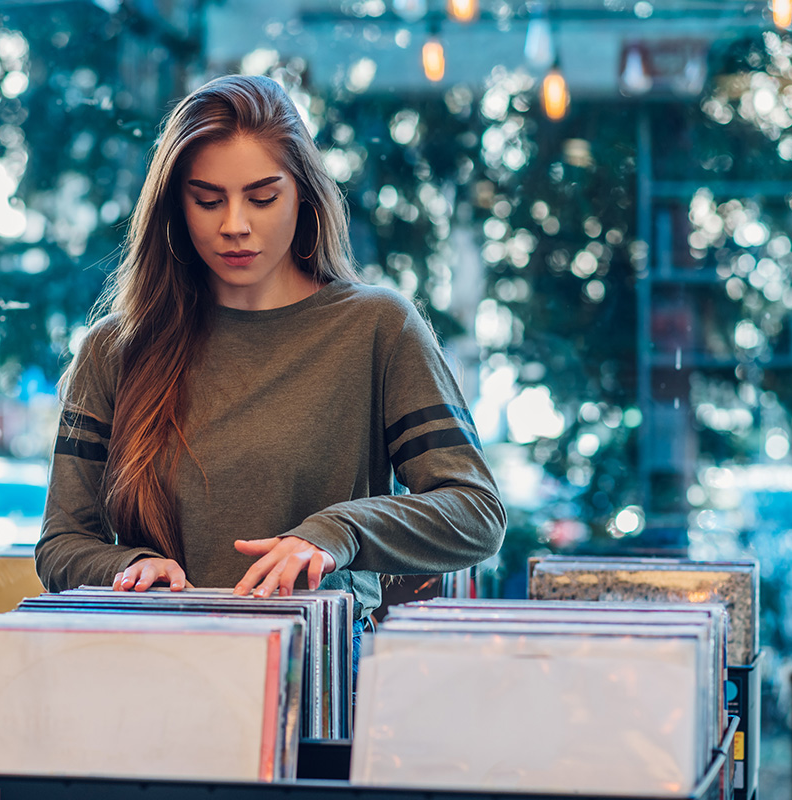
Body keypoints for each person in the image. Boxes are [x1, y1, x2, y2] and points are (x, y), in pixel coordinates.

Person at [34, 74, 505, 641]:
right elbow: (61, 546)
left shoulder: (377, 327)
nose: (234, 225)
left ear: (303, 195)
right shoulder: (116, 348)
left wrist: (337, 533)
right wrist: (128, 567)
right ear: (176, 206)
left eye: (262, 198)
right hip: (155, 663)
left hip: (318, 670)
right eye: (208, 200)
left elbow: (476, 513)